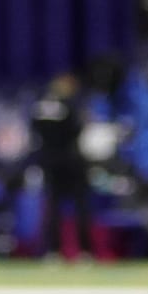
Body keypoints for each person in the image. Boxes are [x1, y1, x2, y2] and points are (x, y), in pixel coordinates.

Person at [29, 72, 95, 260]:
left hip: (50, 161)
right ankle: (84, 252)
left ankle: (53, 251)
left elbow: (35, 132)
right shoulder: (70, 105)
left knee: (54, 207)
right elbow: (77, 130)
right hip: (71, 161)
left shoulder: (39, 106)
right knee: (80, 207)